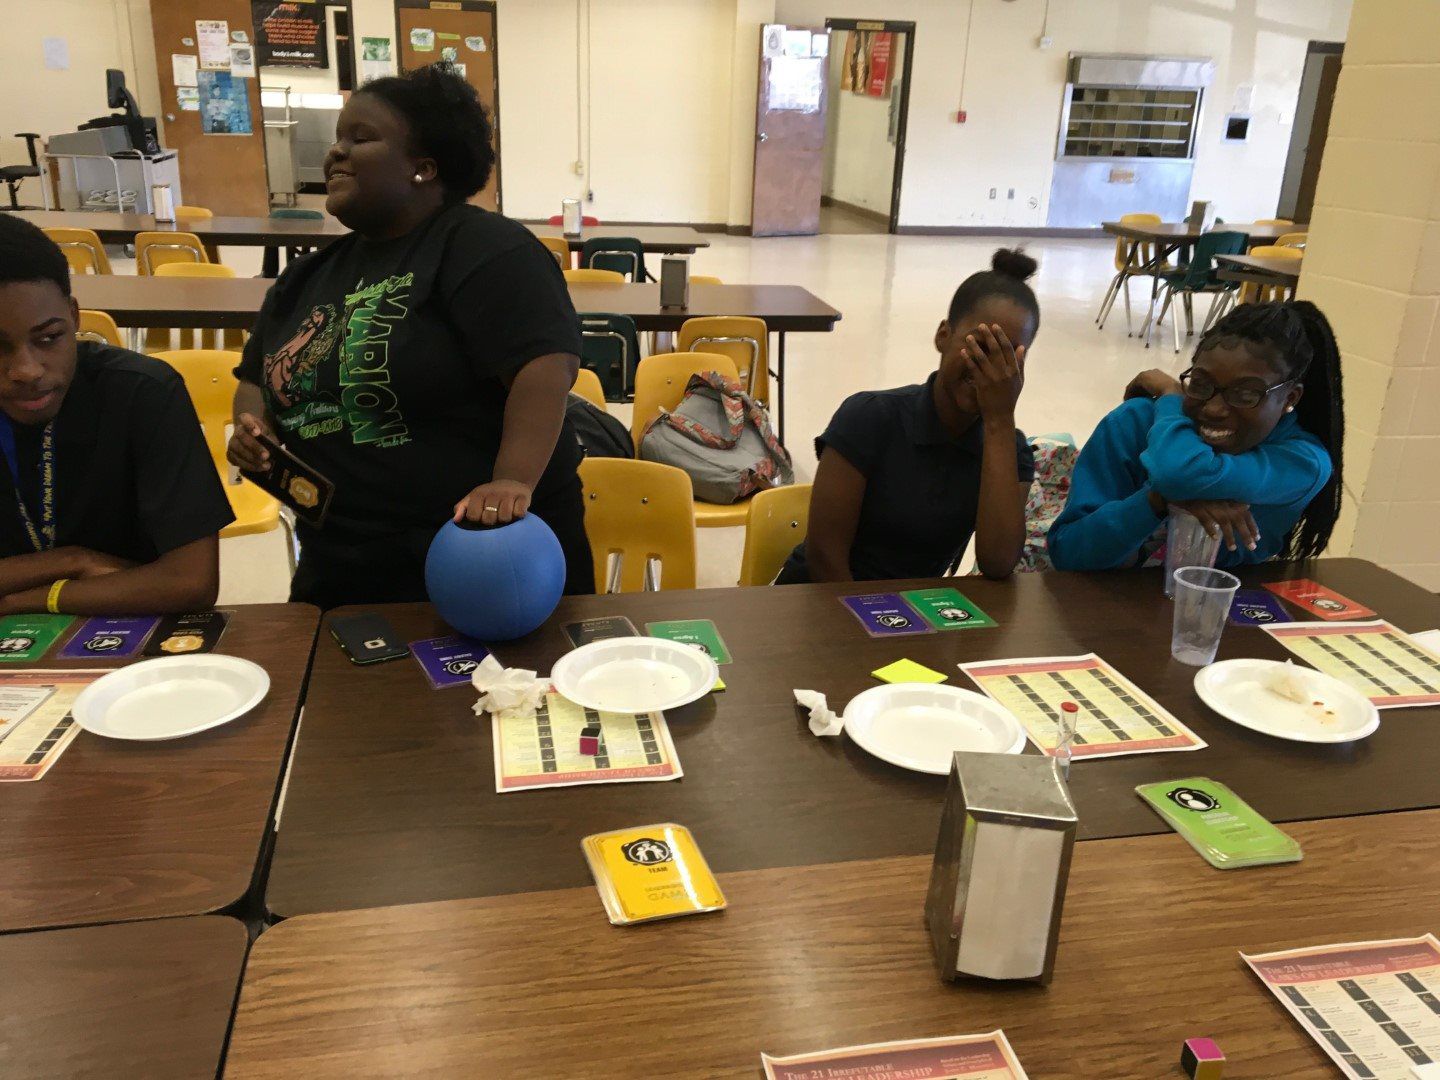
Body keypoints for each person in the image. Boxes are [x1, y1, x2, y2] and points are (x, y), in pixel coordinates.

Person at [228, 64, 592, 608]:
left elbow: (544, 366)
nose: (336, 153)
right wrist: (254, 431)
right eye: (336, 139)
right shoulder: (306, 275)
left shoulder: (482, 246)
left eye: (361, 137)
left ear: (424, 167)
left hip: (482, 551)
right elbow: (255, 375)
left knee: (508, 693)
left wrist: (510, 481)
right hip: (342, 557)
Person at [0, 215, 233, 615]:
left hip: (133, 634)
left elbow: (190, 582)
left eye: (49, 338)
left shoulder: (144, 392)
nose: (27, 370)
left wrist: (26, 598)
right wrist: (72, 561)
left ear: (74, 317)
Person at [776, 249, 1040, 583]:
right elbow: (825, 559)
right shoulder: (869, 418)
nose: (988, 369)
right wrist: (871, 628)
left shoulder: (1010, 450)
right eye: (978, 345)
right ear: (943, 335)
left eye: (1006, 357)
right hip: (824, 602)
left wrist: (1000, 421)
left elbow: (998, 562)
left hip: (912, 613)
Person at [1047, 301, 1343, 570]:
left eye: (1245, 394)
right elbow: (1068, 554)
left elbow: (1178, 472)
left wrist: (1170, 396)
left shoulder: (1304, 462)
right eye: (1200, 384)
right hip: (1101, 610)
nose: (1214, 409)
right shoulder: (1135, 422)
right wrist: (1158, 500)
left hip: (1222, 613)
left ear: (1290, 397)